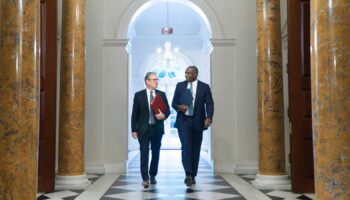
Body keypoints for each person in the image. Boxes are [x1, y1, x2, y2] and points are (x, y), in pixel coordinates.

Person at [172, 66, 214, 187]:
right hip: (183, 121)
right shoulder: (180, 86)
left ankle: (193, 174)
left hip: (198, 122)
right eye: (185, 72)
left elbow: (210, 104)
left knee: (195, 149)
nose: (186, 75)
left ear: (195, 74)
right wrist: (179, 107)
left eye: (189, 73)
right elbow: (173, 102)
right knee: (186, 147)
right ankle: (188, 175)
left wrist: (209, 117)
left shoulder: (204, 87)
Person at [131, 72, 170, 188]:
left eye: (157, 79)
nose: (156, 81)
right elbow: (135, 114)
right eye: (154, 79)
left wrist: (164, 115)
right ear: (147, 81)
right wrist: (134, 129)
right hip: (143, 129)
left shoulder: (161, 94)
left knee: (156, 153)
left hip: (157, 129)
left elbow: (167, 110)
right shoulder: (139, 95)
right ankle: (145, 178)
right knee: (144, 153)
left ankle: (153, 175)